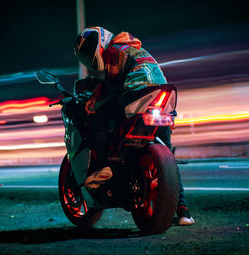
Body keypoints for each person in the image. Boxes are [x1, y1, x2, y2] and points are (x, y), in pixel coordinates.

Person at [74, 26, 194, 226]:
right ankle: (183, 211)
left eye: (88, 51)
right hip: (161, 96)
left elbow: (110, 85)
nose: (90, 59)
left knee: (98, 120)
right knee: (168, 156)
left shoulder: (114, 51)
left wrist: (93, 97)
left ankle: (104, 167)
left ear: (100, 42)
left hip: (137, 92)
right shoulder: (134, 49)